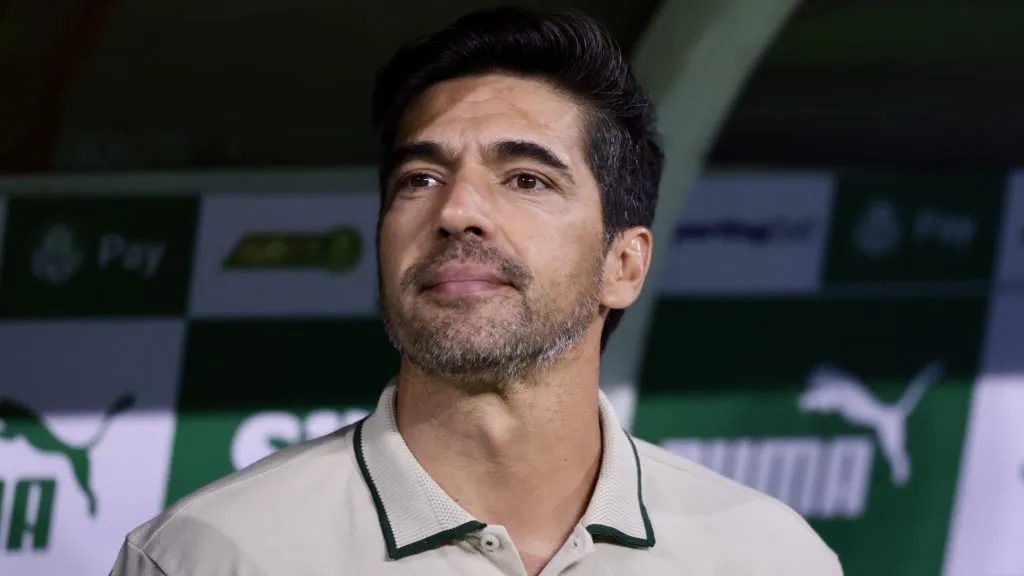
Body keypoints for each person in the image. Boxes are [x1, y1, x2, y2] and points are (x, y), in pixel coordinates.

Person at [109, 7, 842, 576]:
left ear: (624, 263)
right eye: (419, 179)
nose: (456, 210)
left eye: (526, 179)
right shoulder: (213, 556)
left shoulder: (768, 556)